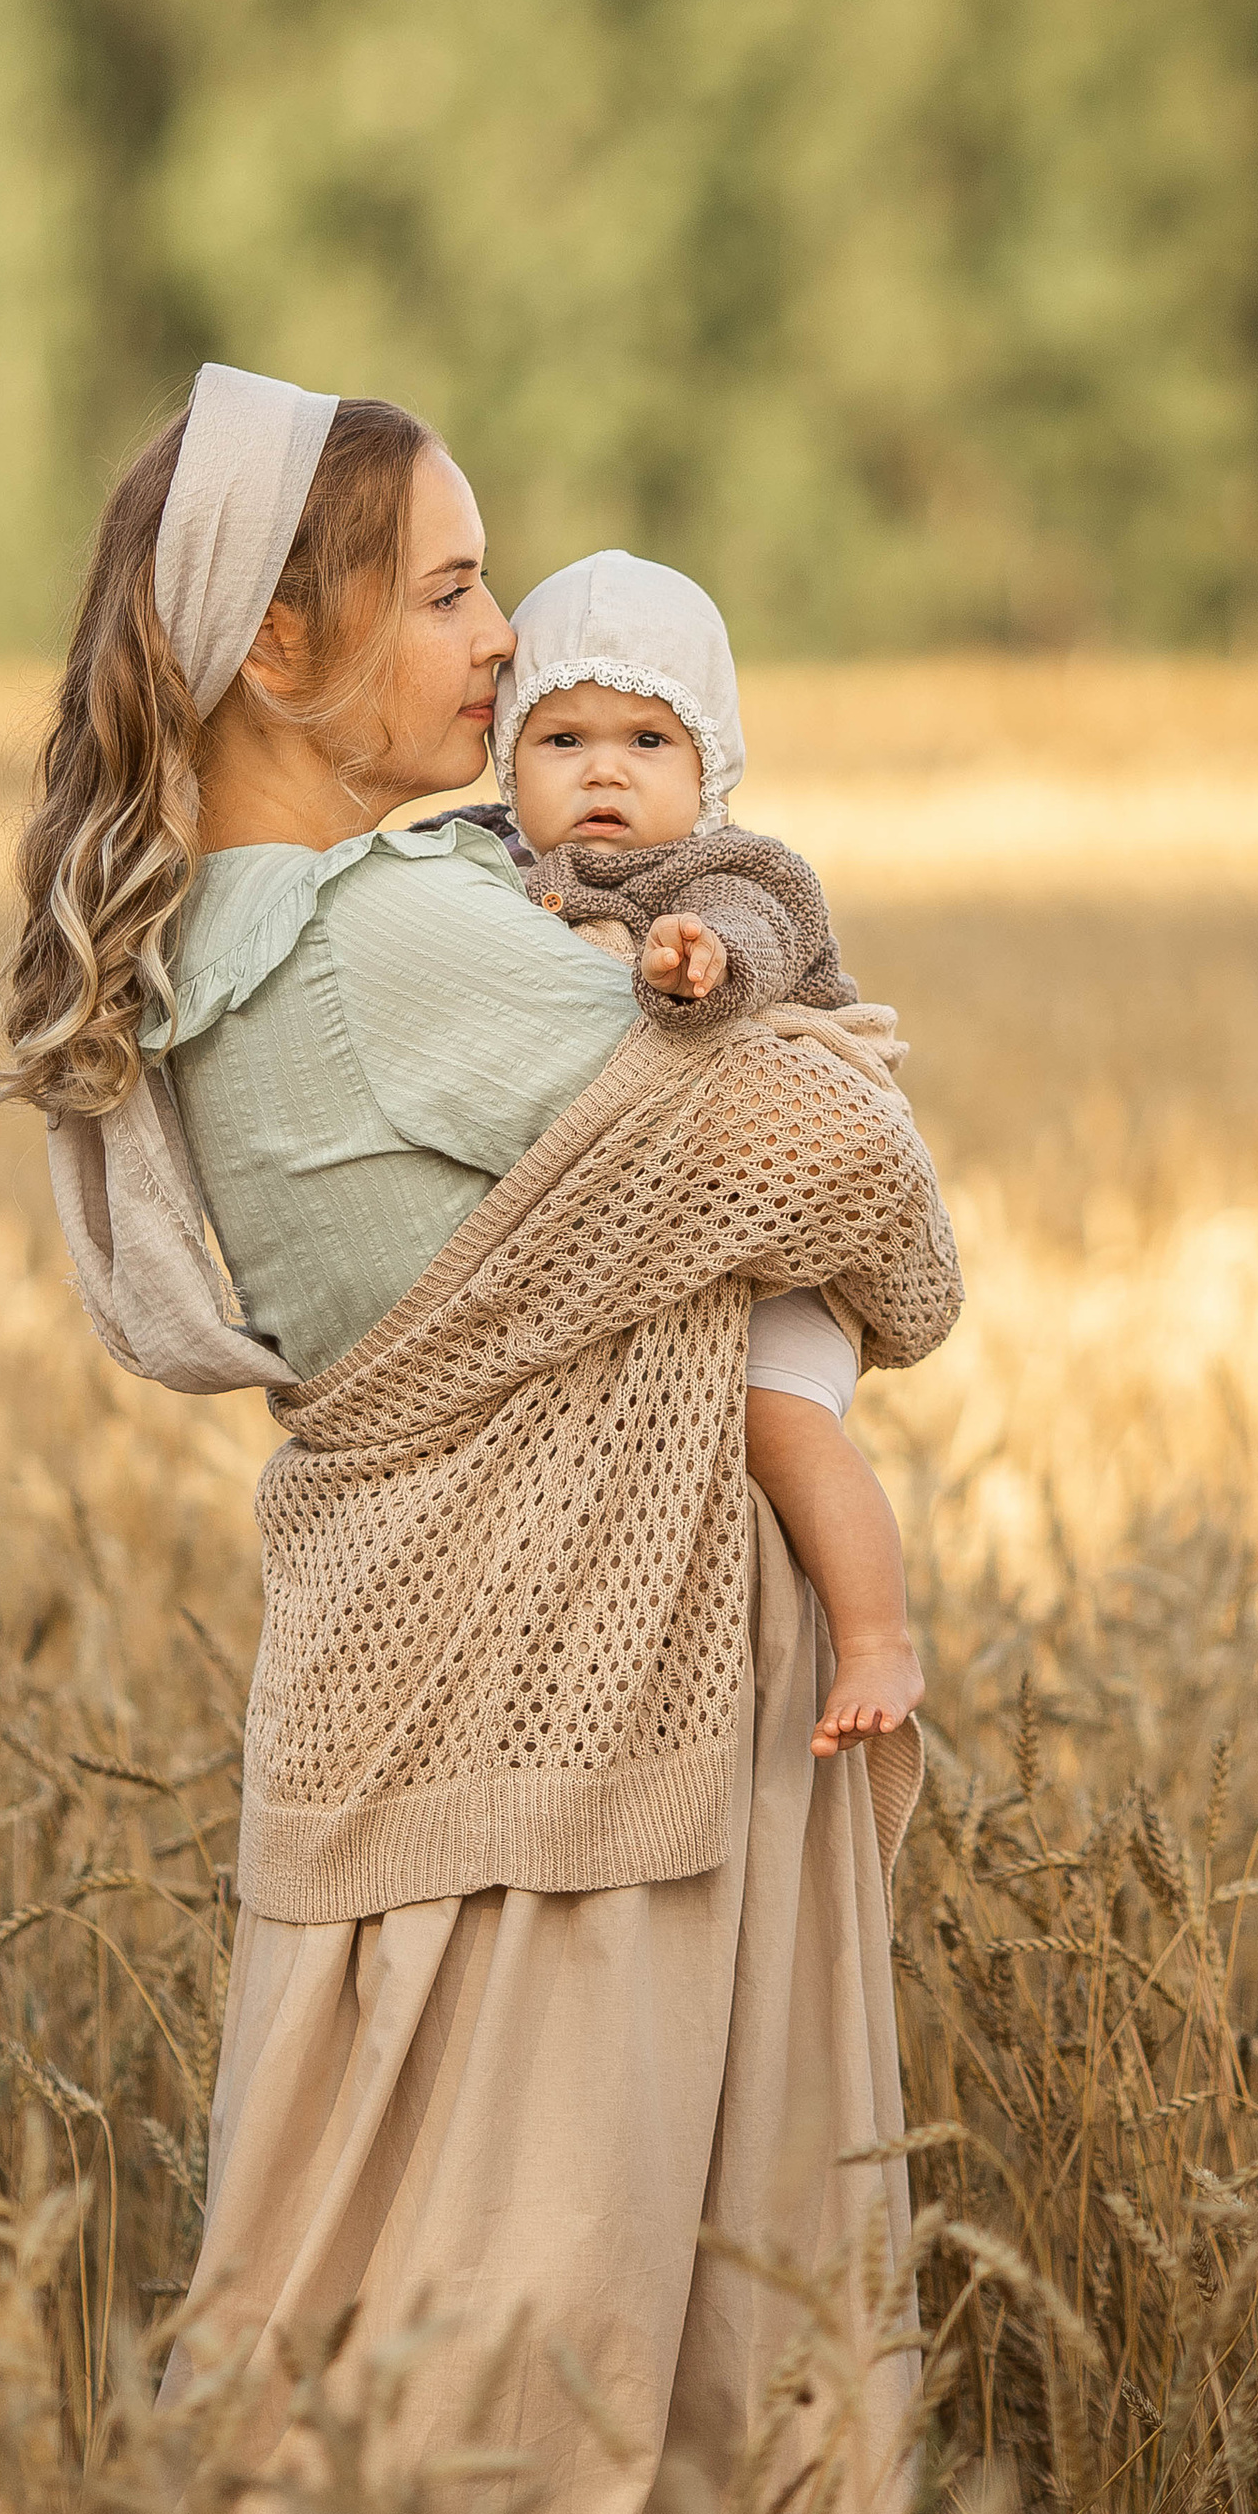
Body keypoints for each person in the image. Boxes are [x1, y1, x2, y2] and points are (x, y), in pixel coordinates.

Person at [0, 367, 962, 2514]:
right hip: (567, 1746)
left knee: (386, 2367)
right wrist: (810, 1079)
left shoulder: (233, 948)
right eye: (444, 586)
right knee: (572, 2403)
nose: (502, 638)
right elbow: (872, 1197)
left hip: (455, 1719)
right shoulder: (392, 941)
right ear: (276, 652)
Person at [473, 547, 926, 1767]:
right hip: (659, 1241)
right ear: (506, 758)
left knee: (773, 1420)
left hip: (784, 1256)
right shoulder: (487, 871)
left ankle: (876, 1635)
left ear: (709, 763)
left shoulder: (728, 875)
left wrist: (692, 970)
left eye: (646, 741)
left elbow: (751, 943)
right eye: (561, 741)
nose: (604, 769)